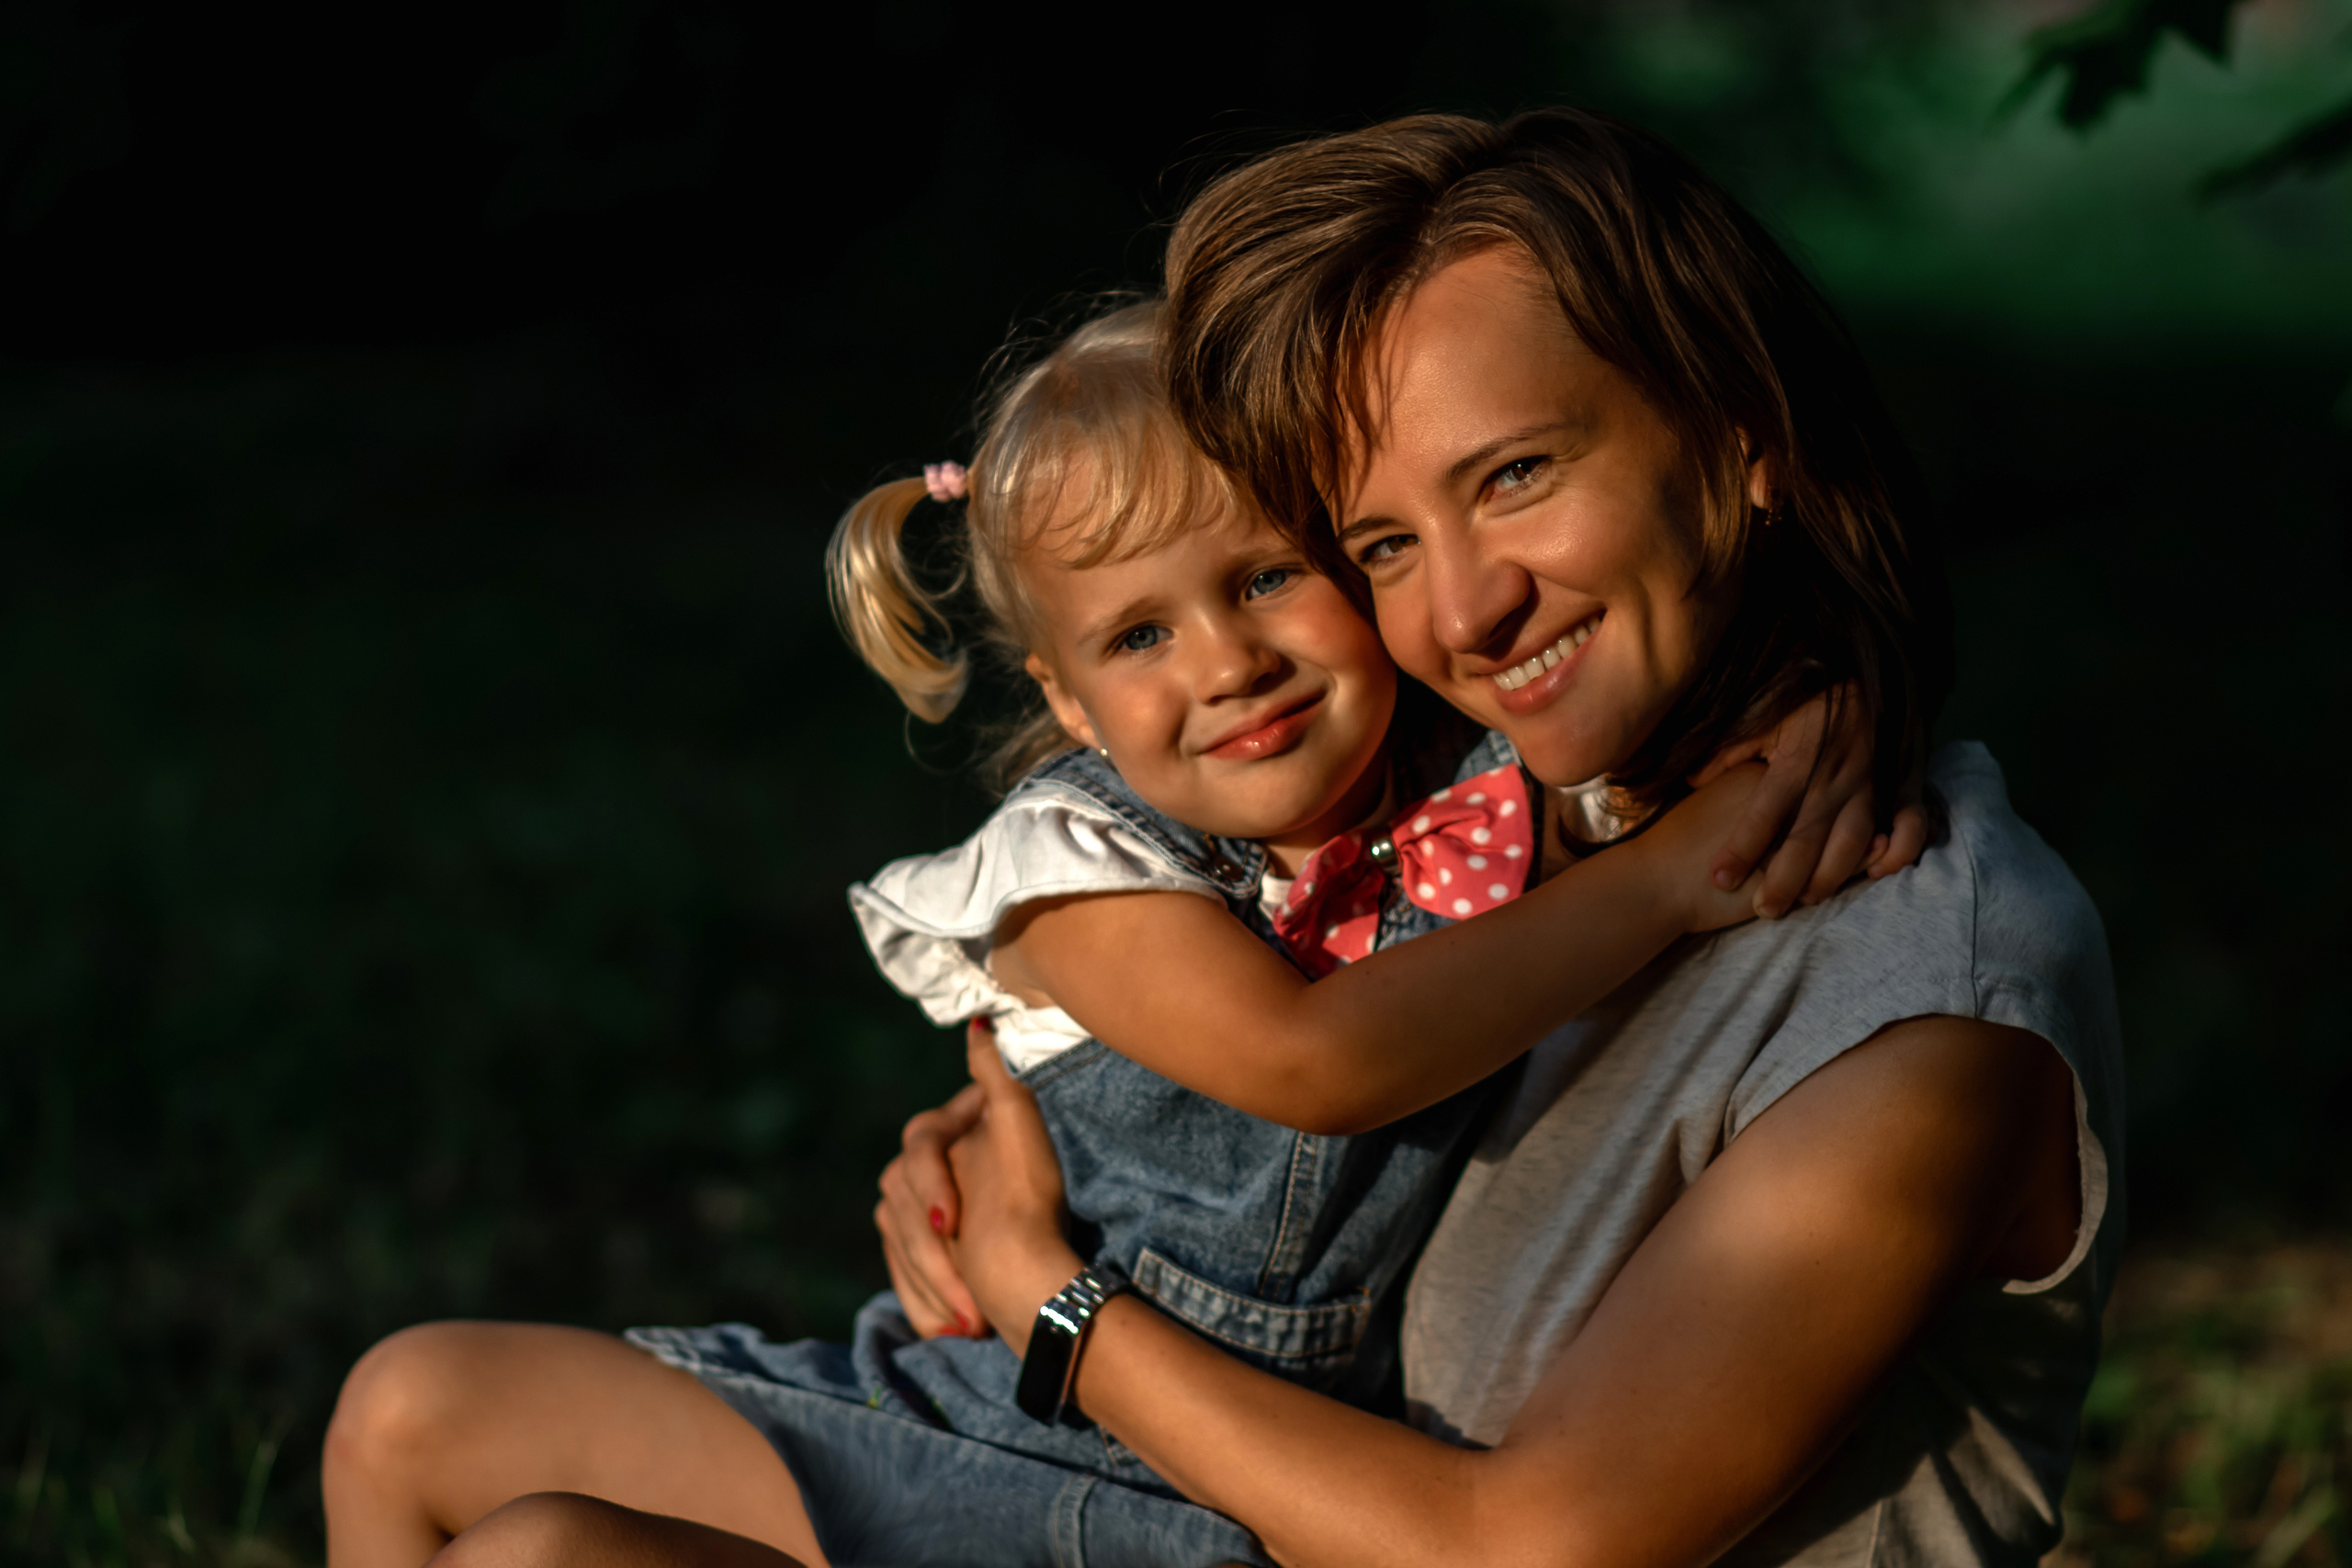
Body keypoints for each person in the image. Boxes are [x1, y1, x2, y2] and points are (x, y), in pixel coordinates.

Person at [320, 292, 1905, 1568]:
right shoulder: (1069, 874)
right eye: (1142, 633)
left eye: (1270, 576)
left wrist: (1815, 727)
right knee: (406, 1404)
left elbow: (1684, 719)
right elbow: (1317, 1060)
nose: (1228, 660)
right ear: (1073, 705)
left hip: (1216, 1477)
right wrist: (1671, 876)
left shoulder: (1478, 788)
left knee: (539, 1554)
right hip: (982, 1407)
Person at [874, 108, 2120, 1568]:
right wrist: (1033, 1136)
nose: (1463, 615)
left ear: (1744, 433)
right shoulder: (1525, 841)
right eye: (1385, 545)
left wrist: (1051, 1302)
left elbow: (1527, 1553)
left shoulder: (1927, 994)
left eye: (1515, 475)